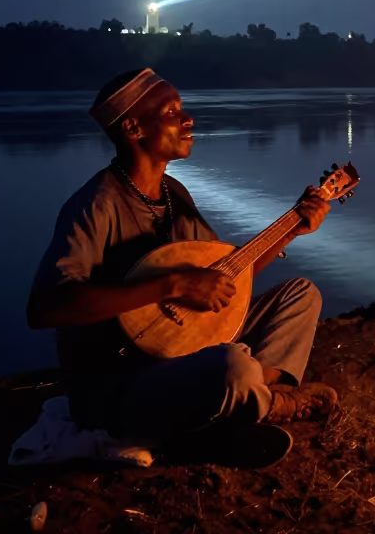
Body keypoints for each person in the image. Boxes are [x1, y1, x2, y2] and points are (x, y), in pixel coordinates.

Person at [27, 68, 338, 446]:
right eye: (172, 112)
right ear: (133, 129)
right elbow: (47, 308)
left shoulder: (174, 194)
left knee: (300, 295)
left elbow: (225, 279)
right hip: (120, 383)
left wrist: (293, 227)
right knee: (231, 364)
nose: (189, 120)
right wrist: (172, 285)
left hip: (182, 348)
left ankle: (243, 398)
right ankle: (261, 402)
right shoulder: (96, 205)